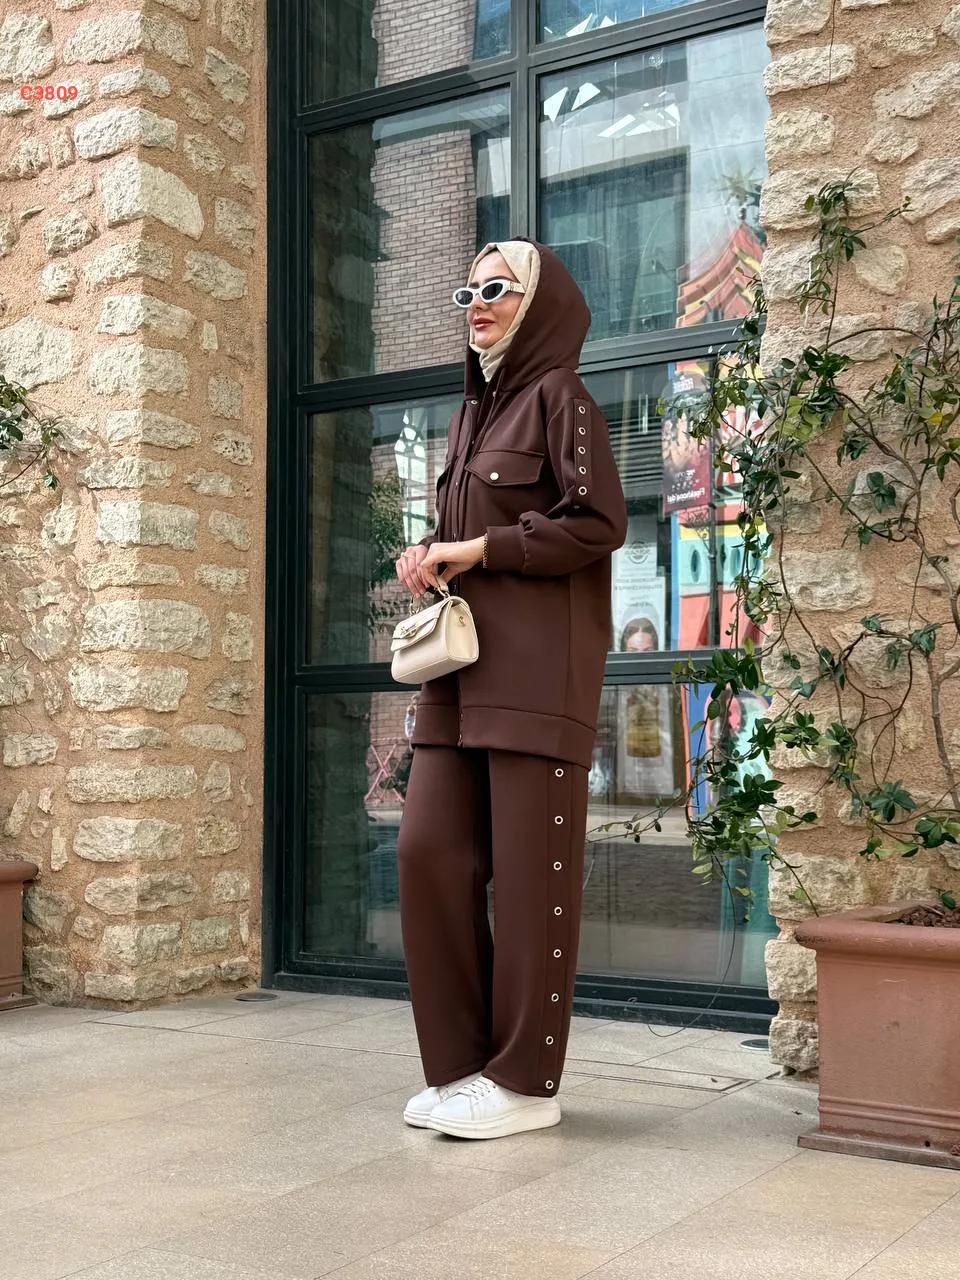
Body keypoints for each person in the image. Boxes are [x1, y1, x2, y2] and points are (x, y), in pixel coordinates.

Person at [393, 238, 628, 1140]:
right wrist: (429, 555)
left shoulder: (562, 397)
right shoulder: (469, 419)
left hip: (535, 672)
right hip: (457, 676)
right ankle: (460, 1069)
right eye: (468, 291)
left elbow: (598, 521)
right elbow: (465, 539)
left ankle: (526, 1084)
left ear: (539, 303)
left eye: (498, 288)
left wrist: (483, 547)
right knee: (427, 853)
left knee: (532, 878)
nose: (478, 303)